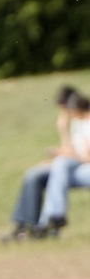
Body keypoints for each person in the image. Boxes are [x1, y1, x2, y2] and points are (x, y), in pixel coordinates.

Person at [5, 84, 82, 241]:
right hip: (69, 165)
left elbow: (81, 154)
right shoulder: (75, 122)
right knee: (33, 175)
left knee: (54, 172)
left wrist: (63, 131)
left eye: (64, 109)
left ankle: (47, 224)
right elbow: (69, 149)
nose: (63, 114)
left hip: (78, 167)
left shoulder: (84, 121)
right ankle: (26, 225)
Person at [34, 92, 90, 237]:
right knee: (58, 170)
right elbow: (71, 149)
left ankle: (48, 222)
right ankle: (52, 220)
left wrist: (67, 156)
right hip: (79, 167)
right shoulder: (79, 124)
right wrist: (63, 131)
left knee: (59, 171)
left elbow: (86, 157)